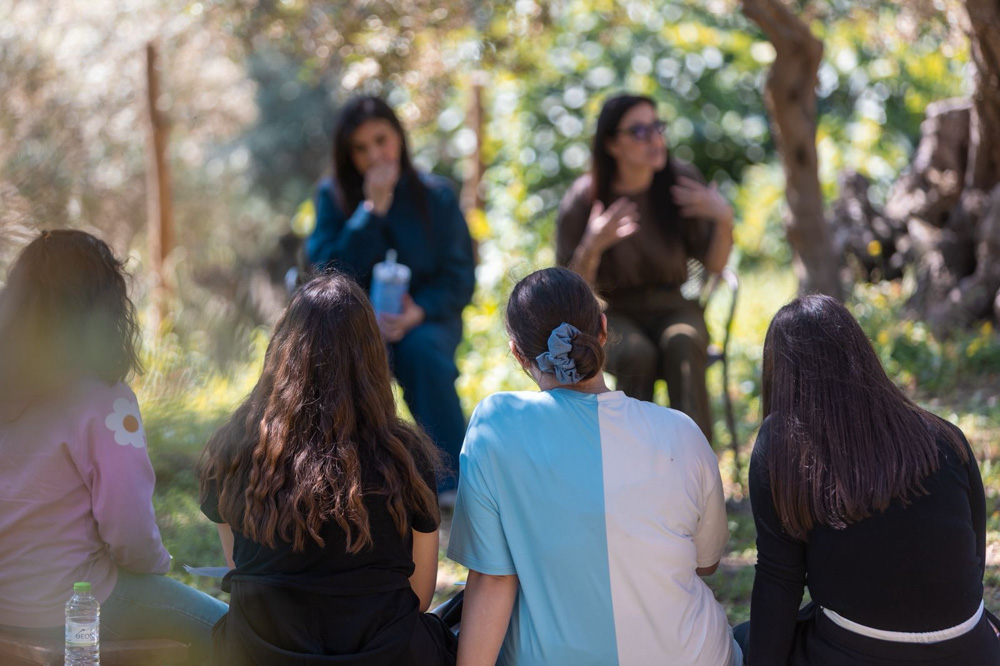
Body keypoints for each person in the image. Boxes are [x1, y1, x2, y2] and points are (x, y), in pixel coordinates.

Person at [448, 267, 741, 666]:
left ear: (517, 354)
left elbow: (493, 578)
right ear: (603, 328)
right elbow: (706, 563)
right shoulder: (682, 432)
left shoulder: (496, 424)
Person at [199, 271, 457, 665]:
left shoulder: (233, 450)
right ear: (371, 359)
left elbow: (241, 571)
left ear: (282, 352)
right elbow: (419, 598)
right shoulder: (405, 458)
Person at [0, 229, 227, 664]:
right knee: (234, 630)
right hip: (72, 603)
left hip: (6, 603)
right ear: (102, 309)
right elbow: (131, 533)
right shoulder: (106, 400)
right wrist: (157, 565)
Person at [742, 294, 1000, 665]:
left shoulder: (782, 441)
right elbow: (972, 557)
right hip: (971, 649)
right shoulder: (945, 435)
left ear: (781, 374)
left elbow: (779, 579)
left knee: (742, 638)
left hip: (861, 651)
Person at [306, 95, 475, 496]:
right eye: (361, 149)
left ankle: (453, 480)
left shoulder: (437, 196)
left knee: (422, 353)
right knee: (350, 361)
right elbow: (328, 271)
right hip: (356, 323)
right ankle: (353, 482)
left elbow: (459, 277)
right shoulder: (333, 197)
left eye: (381, 140)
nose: (375, 155)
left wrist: (418, 311)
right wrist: (370, 211)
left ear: (398, 137)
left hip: (426, 319)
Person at [556, 93, 735, 443]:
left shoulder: (679, 181)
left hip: (675, 306)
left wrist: (724, 219)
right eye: (638, 131)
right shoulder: (584, 198)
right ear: (611, 144)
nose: (654, 139)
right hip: (614, 311)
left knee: (682, 341)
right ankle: (636, 464)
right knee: (637, 353)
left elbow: (714, 265)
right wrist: (592, 244)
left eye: (657, 127)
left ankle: (696, 464)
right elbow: (570, 291)